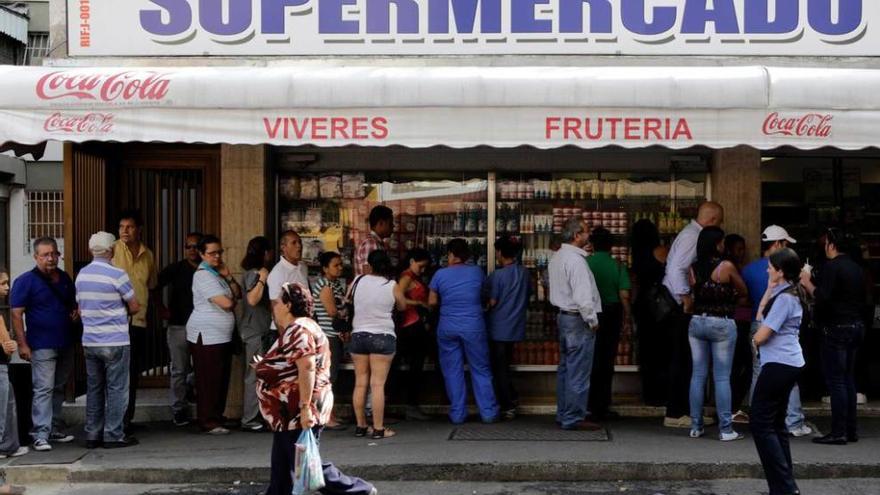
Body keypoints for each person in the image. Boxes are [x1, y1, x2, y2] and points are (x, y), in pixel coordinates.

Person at [256, 283, 378, 495]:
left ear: (288, 305)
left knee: (305, 460)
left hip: (297, 408)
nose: (274, 303)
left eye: (278, 299)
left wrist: (304, 408)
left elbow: (307, 366)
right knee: (284, 463)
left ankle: (357, 490)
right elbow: (292, 365)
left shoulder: (299, 329)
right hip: (289, 411)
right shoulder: (300, 328)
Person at [741, 226, 811, 437]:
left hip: (757, 321)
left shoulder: (748, 270)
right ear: (778, 244)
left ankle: (759, 418)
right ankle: (794, 420)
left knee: (758, 374)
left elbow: (745, 298)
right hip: (775, 331)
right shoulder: (788, 277)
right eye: (786, 244)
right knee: (786, 379)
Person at [661, 201, 724, 428]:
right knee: (683, 359)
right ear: (713, 220)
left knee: (686, 359)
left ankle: (685, 410)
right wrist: (686, 298)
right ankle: (676, 413)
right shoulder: (692, 237)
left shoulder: (689, 233)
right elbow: (676, 268)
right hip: (678, 305)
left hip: (678, 303)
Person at [75, 232, 141, 449]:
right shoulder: (117, 274)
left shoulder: (82, 275)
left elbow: (81, 306)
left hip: (90, 341)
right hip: (115, 339)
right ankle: (113, 434)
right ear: (111, 250)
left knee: (94, 388)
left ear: (90, 250)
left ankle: (93, 433)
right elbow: (134, 306)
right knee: (117, 389)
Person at [10, 237, 76, 451]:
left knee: (58, 387)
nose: (50, 258)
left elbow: (72, 304)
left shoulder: (65, 278)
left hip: (65, 341)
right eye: (45, 255)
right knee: (43, 388)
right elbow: (16, 314)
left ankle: (53, 427)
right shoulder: (25, 281)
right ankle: (39, 433)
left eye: (54, 254)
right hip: (41, 344)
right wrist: (22, 344)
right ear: (36, 257)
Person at [800, 228, 865, 445]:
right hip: (855, 325)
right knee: (848, 379)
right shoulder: (856, 267)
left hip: (835, 327)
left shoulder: (832, 267)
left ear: (831, 244)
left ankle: (838, 432)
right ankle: (850, 430)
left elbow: (823, 298)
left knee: (836, 381)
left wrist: (807, 282)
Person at [750, 248, 807, 495]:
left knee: (760, 423)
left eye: (771, 267)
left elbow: (762, 334)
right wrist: (770, 287)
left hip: (779, 365)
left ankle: (783, 486)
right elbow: (761, 312)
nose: (767, 269)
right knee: (776, 424)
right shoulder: (786, 292)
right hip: (787, 363)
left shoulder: (785, 299)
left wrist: (754, 340)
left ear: (781, 271)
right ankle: (784, 486)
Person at [686, 226, 748, 441]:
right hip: (721, 323)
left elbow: (693, 292)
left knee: (698, 375)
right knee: (722, 377)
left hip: (697, 321)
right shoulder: (726, 266)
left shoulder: (693, 268)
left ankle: (695, 425)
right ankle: (725, 429)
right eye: (721, 242)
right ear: (716, 243)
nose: (724, 245)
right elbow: (743, 291)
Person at [429, 239, 499, 425]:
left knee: (452, 371)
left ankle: (458, 414)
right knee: (481, 369)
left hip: (447, 327)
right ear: (467, 256)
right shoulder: (477, 272)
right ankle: (488, 413)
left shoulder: (439, 274)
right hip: (473, 326)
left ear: (450, 255)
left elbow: (432, 301)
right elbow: (486, 296)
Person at [548, 219, 602, 431]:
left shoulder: (558, 257)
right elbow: (582, 296)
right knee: (578, 371)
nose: (589, 236)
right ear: (577, 235)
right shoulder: (576, 261)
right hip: (578, 319)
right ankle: (573, 416)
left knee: (565, 369)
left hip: (564, 317)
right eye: (586, 232)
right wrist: (592, 319)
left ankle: (564, 412)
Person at [186, 235, 241, 435]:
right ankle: (208, 420)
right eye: (212, 253)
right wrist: (231, 300)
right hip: (207, 335)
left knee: (220, 378)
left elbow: (238, 293)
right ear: (201, 254)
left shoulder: (217, 273)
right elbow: (227, 303)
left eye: (219, 252)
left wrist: (228, 277)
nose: (217, 256)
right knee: (209, 379)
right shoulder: (202, 275)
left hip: (221, 335)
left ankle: (216, 416)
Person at [350, 251, 407, 439]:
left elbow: (348, 301)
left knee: (360, 383)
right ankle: (378, 429)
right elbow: (402, 306)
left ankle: (360, 426)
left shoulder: (358, 280)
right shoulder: (392, 285)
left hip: (358, 335)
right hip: (382, 336)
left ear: (370, 265)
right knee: (377, 385)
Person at [112, 209, 158, 431]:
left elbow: (152, 286)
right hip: (114, 321)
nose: (124, 231)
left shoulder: (148, 254)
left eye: (129, 227)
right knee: (115, 373)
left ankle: (126, 419)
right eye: (121, 227)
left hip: (138, 321)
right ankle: (113, 421)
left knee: (131, 373)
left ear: (139, 229)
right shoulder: (112, 249)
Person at [154, 232, 202, 427]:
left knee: (200, 369)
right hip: (178, 324)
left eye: (195, 246)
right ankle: (179, 409)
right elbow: (154, 285)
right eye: (188, 246)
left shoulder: (208, 269)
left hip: (202, 325)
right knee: (178, 369)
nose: (191, 250)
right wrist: (161, 309)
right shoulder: (176, 269)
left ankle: (194, 395)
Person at [586, 227, 632, 421]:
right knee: (606, 361)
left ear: (592, 244)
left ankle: (587, 404)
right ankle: (602, 405)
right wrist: (628, 318)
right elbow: (624, 295)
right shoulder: (618, 266)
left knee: (589, 359)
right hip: (612, 313)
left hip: (590, 313)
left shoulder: (585, 263)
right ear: (611, 245)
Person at [486, 237, 529, 420]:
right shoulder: (525, 273)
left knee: (499, 369)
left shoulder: (498, 276)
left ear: (501, 254)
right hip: (516, 326)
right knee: (505, 365)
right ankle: (512, 396)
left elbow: (492, 302)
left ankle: (507, 405)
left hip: (498, 328)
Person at [630, 219, 669, 406]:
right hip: (661, 307)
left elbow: (636, 284)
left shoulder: (637, 255)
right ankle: (663, 392)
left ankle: (650, 393)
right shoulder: (660, 251)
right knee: (663, 350)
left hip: (643, 307)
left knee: (647, 351)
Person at [239, 236, 275, 432]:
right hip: (255, 332)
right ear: (265, 253)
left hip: (258, 330)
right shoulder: (255, 274)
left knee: (259, 373)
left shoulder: (250, 273)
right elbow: (253, 299)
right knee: (254, 374)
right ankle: (249, 418)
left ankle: (256, 416)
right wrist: (263, 277)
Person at [311, 251, 348, 429]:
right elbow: (333, 311)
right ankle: (326, 416)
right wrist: (344, 312)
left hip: (335, 335)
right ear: (325, 268)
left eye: (341, 264)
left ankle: (330, 413)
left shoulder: (335, 284)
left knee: (332, 377)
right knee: (328, 378)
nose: (340, 267)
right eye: (335, 265)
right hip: (329, 336)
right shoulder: (325, 285)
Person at [395, 248, 433, 421]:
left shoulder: (413, 277)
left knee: (416, 366)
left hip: (415, 324)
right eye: (421, 266)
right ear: (411, 261)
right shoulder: (406, 277)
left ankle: (410, 403)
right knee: (415, 367)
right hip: (410, 325)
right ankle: (410, 404)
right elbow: (398, 298)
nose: (423, 270)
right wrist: (418, 302)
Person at [0, 267, 28, 460]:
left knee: (8, 405)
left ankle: (8, 446)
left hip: (3, 365)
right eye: (2, 283)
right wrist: (4, 345)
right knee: (2, 410)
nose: (7, 287)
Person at [267, 231, 308, 334]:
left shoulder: (303, 267)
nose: (299, 246)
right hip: (284, 330)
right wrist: (285, 337)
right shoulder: (277, 273)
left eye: (300, 242)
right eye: (294, 243)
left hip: (302, 327)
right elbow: (275, 307)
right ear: (283, 247)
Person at [355, 205, 394, 276]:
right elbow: (369, 275)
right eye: (390, 224)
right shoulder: (371, 244)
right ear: (381, 223)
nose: (393, 227)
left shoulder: (377, 243)